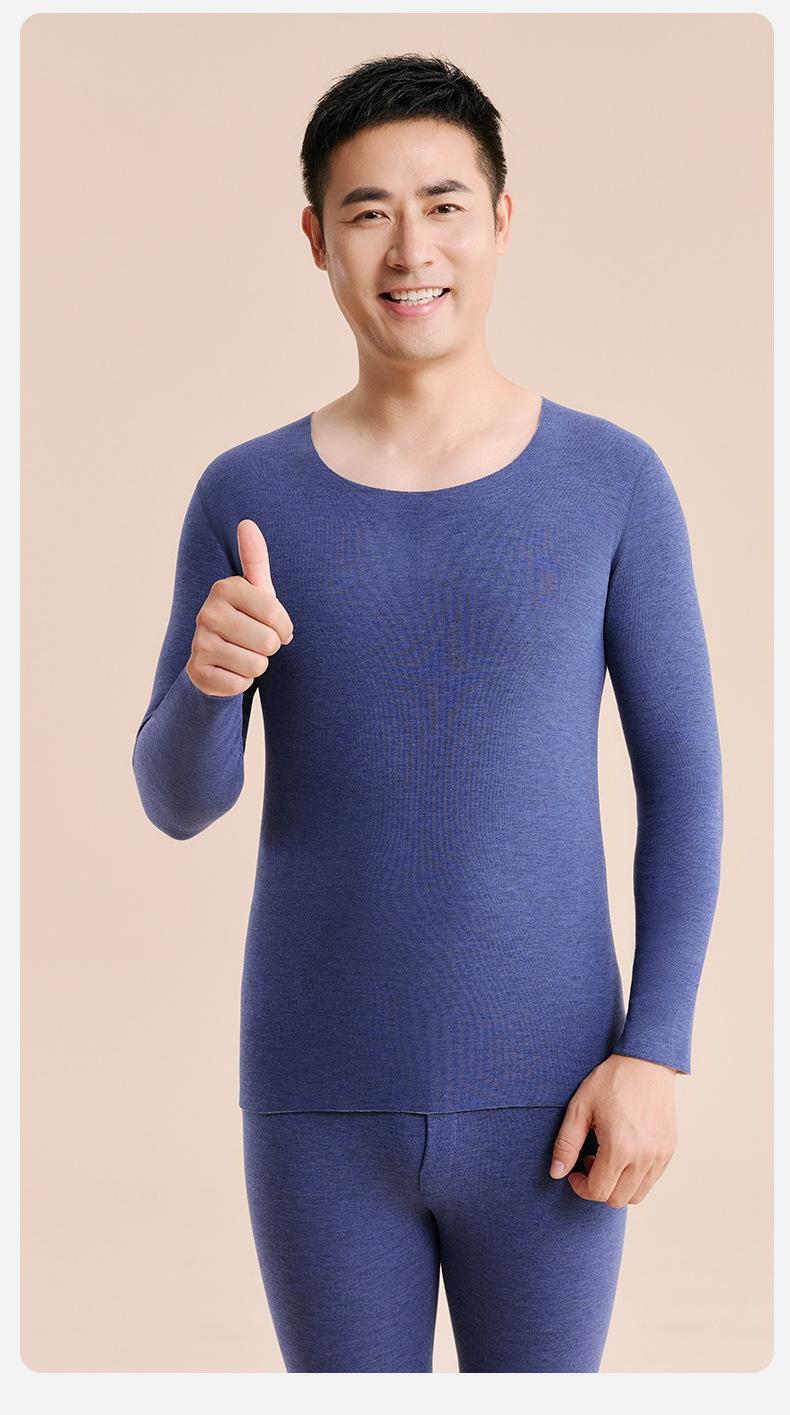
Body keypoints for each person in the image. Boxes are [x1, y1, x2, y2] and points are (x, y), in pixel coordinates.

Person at [131, 53, 724, 1373]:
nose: (411, 249)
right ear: (315, 240)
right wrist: (208, 685)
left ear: (501, 220)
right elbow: (177, 801)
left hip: (558, 1103)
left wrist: (657, 1052)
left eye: (444, 205)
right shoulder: (246, 495)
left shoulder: (613, 482)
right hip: (315, 1105)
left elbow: (684, 780)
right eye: (367, 212)